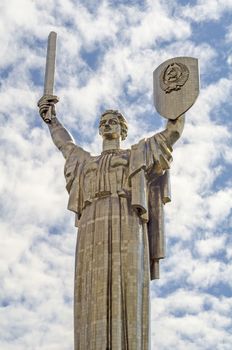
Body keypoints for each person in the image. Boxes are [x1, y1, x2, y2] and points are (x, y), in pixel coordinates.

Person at [38, 95, 185, 350]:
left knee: (127, 285)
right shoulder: (85, 162)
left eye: (113, 121)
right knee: (91, 291)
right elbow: (65, 145)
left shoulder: (137, 154)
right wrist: (52, 120)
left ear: (123, 129)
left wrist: (178, 103)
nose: (107, 125)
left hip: (126, 217)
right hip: (91, 225)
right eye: (103, 122)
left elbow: (172, 133)